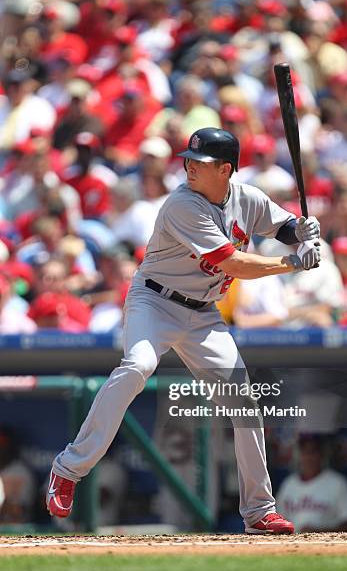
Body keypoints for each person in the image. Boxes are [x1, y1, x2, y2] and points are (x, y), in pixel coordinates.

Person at [46, 127, 320, 535]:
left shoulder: (246, 197)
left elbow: (278, 226)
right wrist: (293, 263)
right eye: (188, 159)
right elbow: (236, 266)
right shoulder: (182, 204)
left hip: (203, 314)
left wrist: (301, 231)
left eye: (201, 163)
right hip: (155, 301)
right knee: (136, 367)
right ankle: (68, 469)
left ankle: (259, 510)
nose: (189, 166)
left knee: (243, 399)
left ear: (225, 170)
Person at [276, 433, 347, 533]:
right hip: (294, 545)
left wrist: (318, 532)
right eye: (305, 452)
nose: (309, 457)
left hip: (327, 545)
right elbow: (278, 522)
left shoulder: (337, 483)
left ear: (321, 455)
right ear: (299, 455)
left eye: (313, 452)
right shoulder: (288, 484)